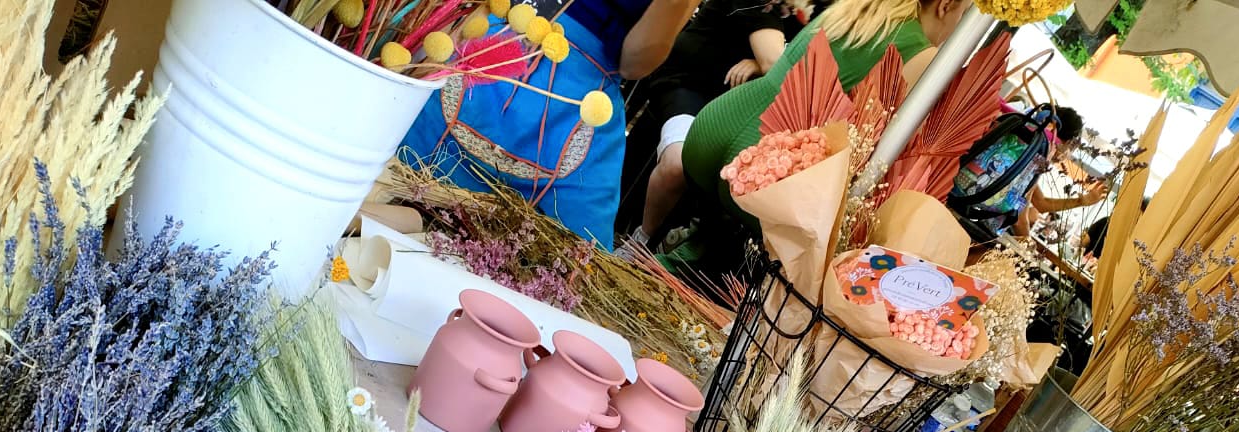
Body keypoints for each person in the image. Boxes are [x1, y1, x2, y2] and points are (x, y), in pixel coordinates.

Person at [399, 0, 700, 247]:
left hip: (581, 100)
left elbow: (633, 63)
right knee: (387, 187)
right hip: (491, 37)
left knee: (570, 267)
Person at [680, 0, 970, 219]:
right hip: (771, 167)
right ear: (947, 5)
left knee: (706, 231)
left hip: (717, 124)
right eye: (965, 12)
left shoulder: (855, 8)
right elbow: (892, 155)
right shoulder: (924, 57)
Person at [624, 0, 809, 249]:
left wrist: (758, 64)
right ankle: (639, 241)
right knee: (677, 164)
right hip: (688, 84)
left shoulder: (809, 13)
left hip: (731, 106)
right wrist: (763, 64)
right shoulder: (765, 5)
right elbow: (775, 63)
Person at [951, 103, 1105, 239]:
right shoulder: (1038, 155)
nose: (1069, 155)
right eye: (1072, 148)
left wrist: (1080, 201)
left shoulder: (1022, 134)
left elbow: (1040, 203)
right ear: (1069, 143)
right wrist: (1026, 248)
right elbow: (1019, 217)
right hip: (969, 223)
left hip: (952, 189)